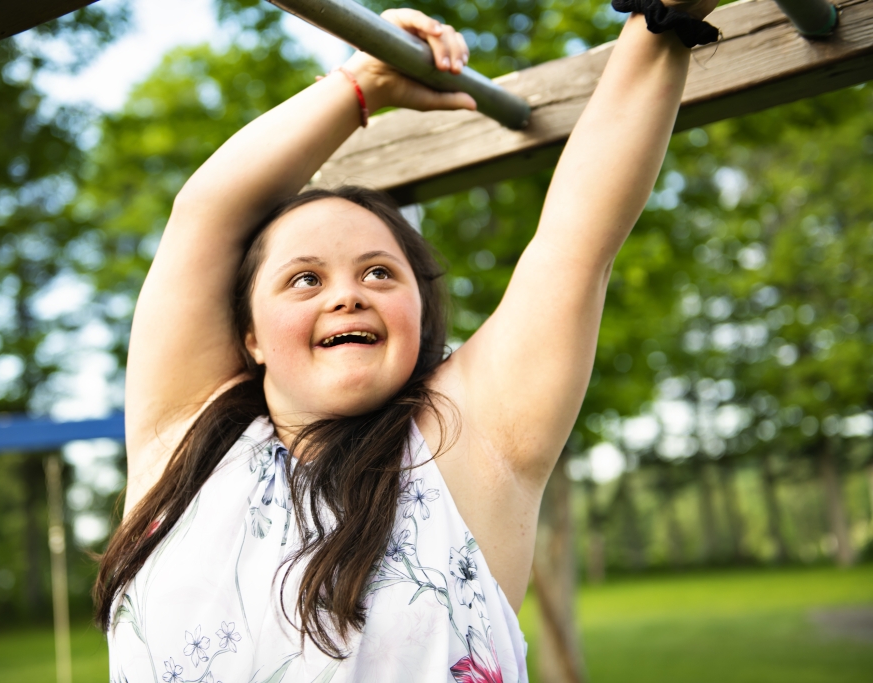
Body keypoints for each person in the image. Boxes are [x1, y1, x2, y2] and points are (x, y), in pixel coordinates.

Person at [96, 2, 717, 680]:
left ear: (420, 313)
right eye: (304, 278)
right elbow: (205, 216)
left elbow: (575, 243)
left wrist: (663, 17)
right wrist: (362, 85)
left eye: (379, 271)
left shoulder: (465, 444)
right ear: (251, 335)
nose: (346, 293)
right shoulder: (182, 446)